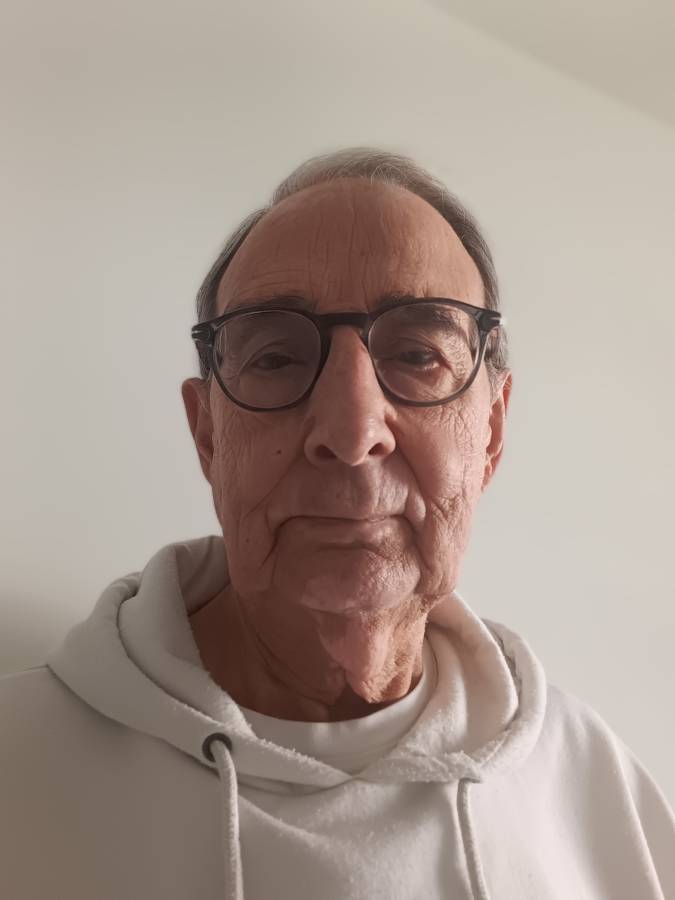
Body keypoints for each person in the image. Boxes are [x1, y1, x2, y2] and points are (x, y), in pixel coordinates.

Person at [1, 148, 673, 900]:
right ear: (207, 435)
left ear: (490, 431)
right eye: (277, 358)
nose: (352, 432)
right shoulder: (18, 770)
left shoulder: (599, 797)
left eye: (417, 354)